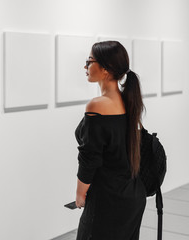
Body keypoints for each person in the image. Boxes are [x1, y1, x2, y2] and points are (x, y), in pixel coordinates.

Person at [75, 41, 146, 240]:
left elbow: (89, 158)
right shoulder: (128, 101)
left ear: (105, 69)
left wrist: (80, 194)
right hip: (133, 195)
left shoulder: (97, 105)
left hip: (107, 199)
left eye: (89, 61)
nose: (85, 67)